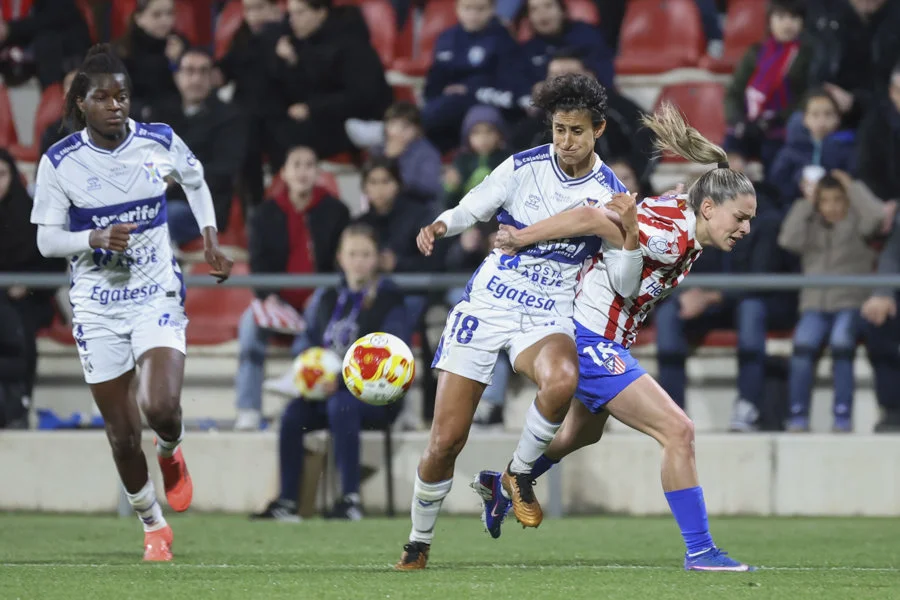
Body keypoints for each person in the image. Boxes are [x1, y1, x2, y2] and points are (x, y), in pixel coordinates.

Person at [474, 103, 758, 572]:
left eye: (749, 220)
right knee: (678, 431)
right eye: (740, 218)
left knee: (581, 433)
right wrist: (521, 238)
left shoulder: (686, 210)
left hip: (605, 338)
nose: (746, 229)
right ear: (708, 208)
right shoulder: (669, 235)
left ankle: (503, 483)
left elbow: (673, 200)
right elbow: (589, 218)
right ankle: (702, 551)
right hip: (589, 339)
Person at [395, 72, 642, 570]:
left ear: (597, 130)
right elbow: (473, 207)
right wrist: (441, 225)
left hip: (546, 311)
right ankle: (418, 543)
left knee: (563, 379)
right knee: (446, 441)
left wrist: (631, 235)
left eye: (576, 131)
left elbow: (627, 283)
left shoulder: (610, 192)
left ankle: (518, 474)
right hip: (488, 305)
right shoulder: (523, 166)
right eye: (558, 130)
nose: (566, 141)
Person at [30, 44, 233, 562]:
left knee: (161, 407)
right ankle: (153, 526)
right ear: (81, 104)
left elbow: (196, 178)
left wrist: (209, 235)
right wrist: (93, 239)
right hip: (96, 304)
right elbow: (47, 241)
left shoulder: (158, 140)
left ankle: (170, 451)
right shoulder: (61, 162)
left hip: (154, 290)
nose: (116, 105)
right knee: (122, 434)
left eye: (122, 96)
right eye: (103, 97)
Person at [251, 224, 408, 522]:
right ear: (340, 258)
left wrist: (339, 380)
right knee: (293, 414)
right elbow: (305, 343)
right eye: (353, 254)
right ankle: (287, 501)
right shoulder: (325, 298)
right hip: (326, 392)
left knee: (341, 404)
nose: (359, 260)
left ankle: (350, 500)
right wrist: (306, 373)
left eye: (365, 254)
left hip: (375, 398)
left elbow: (391, 352)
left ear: (376, 259)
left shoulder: (390, 298)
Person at [778, 171, 884, 432]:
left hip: (850, 305)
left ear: (847, 201)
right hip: (814, 307)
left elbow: (877, 217)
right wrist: (807, 201)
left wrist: (853, 186)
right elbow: (787, 239)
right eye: (825, 201)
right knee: (803, 345)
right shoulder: (810, 222)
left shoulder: (858, 223)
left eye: (838, 199)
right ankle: (798, 414)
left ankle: (842, 415)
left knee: (841, 342)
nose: (832, 206)